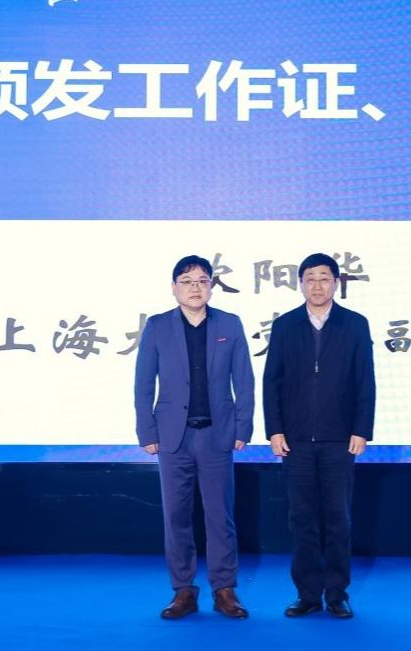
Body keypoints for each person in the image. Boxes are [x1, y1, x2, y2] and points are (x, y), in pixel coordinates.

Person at [134, 255, 254, 619]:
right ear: (174, 288)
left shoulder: (229, 324)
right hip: (173, 437)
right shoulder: (157, 326)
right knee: (176, 516)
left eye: (202, 281)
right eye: (187, 282)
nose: (195, 288)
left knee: (220, 515)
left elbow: (244, 380)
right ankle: (183, 590)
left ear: (211, 287)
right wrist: (147, 430)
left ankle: (224, 589)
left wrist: (242, 427)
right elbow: (143, 383)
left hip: (217, 435)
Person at [262, 252, 376, 619]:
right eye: (310, 279)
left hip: (340, 439)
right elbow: (272, 381)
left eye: (324, 278)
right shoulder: (285, 325)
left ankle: (337, 594)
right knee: (302, 520)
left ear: (336, 283)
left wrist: (361, 429)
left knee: (338, 519)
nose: (317, 285)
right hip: (295, 441)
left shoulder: (354, 324)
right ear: (300, 284)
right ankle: (308, 594)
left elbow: (365, 380)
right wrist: (274, 429)